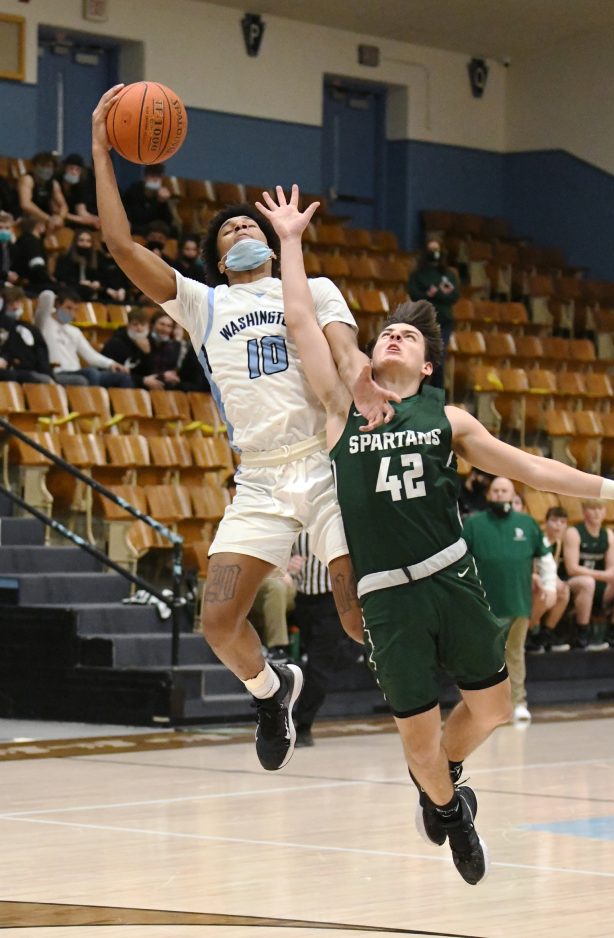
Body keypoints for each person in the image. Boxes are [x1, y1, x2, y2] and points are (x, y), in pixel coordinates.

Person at [255, 182, 614, 886]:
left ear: (427, 365)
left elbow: (533, 468)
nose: (392, 336)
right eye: (386, 332)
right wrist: (291, 242)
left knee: (489, 707)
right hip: (386, 596)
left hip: (451, 579)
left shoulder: (447, 419)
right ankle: (450, 812)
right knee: (415, 741)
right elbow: (300, 321)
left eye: (408, 335)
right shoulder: (340, 408)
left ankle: (445, 776)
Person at [92, 85, 396, 773]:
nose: (239, 230)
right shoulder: (204, 304)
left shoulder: (313, 290)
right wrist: (102, 149)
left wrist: (361, 377)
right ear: (215, 254)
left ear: (270, 240)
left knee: (355, 617)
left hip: (325, 461)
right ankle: (271, 691)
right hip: (258, 475)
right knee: (218, 622)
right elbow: (118, 243)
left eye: (247, 225)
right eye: (227, 229)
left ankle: (421, 707)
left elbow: (347, 351)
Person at [463, 477, 557, 724]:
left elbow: (546, 558)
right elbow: (460, 562)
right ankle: (483, 707)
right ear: (488, 495)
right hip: (483, 606)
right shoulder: (473, 525)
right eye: (495, 490)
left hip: (517, 603)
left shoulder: (527, 524)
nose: (499, 494)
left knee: (514, 654)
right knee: (483, 658)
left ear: (513, 495)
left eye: (504, 490)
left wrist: (550, 585)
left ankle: (518, 703)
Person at [291, 531, 362, 747]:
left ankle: (303, 725)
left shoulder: (339, 519)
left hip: (333, 600)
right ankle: (357, 649)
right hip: (301, 598)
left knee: (318, 665)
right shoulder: (296, 519)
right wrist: (286, 563)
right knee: (316, 661)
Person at [560, 500, 614, 652]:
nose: (596, 513)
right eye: (592, 508)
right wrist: (603, 575)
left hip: (599, 581)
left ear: (605, 512)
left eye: (600, 509)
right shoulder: (574, 533)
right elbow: (572, 569)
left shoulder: (608, 535)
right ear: (584, 511)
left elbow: (611, 567)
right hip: (574, 582)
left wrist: (612, 574)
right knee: (587, 582)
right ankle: (582, 632)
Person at [35, 287, 132, 388]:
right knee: (90, 373)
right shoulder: (44, 322)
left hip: (78, 372)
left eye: (75, 310)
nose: (71, 313)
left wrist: (111, 364)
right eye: (68, 308)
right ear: (57, 304)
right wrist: (56, 297)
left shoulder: (74, 331)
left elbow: (90, 355)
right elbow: (47, 295)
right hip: (58, 372)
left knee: (123, 378)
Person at [407, 237, 459, 390]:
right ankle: (417, 393)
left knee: (438, 362)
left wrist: (435, 294)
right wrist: (431, 294)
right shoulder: (417, 275)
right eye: (431, 250)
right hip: (423, 323)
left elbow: (454, 295)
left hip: (443, 323)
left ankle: (436, 398)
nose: (434, 253)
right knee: (422, 360)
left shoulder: (448, 275)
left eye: (436, 250)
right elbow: (415, 295)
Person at [526, 506, 571, 653]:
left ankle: (546, 633)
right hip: (529, 580)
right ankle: (527, 631)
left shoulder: (558, 543)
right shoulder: (539, 541)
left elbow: (551, 569)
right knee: (543, 592)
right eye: (554, 521)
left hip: (542, 580)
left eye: (562, 522)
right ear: (545, 523)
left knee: (564, 591)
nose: (558, 525)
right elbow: (532, 569)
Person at [0, 285, 53, 384]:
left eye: (18, 303)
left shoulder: (31, 328)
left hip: (32, 372)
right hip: (11, 372)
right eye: (11, 304)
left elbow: (41, 354)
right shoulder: (4, 328)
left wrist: (48, 375)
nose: (15, 307)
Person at [100, 308, 155, 387]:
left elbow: (151, 372)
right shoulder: (115, 342)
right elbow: (110, 370)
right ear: (128, 325)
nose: (139, 328)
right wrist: (141, 380)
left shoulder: (151, 341)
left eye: (143, 325)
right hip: (118, 382)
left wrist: (147, 353)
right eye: (135, 324)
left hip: (142, 383)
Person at [250, 570, 296, 661]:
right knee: (276, 588)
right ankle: (277, 648)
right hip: (260, 575)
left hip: (296, 580)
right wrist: (277, 570)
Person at [122, 164, 177, 236]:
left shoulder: (162, 194)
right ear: (145, 177)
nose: (156, 180)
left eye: (159, 177)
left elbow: (168, 222)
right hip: (135, 229)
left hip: (155, 232)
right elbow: (138, 217)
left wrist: (164, 202)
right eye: (152, 176)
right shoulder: (133, 192)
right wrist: (158, 203)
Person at [17, 153, 67, 232]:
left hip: (44, 218)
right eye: (43, 166)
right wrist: (48, 218)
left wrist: (60, 218)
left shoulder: (54, 184)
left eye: (49, 166)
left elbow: (63, 206)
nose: (46, 169)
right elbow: (25, 204)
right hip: (24, 216)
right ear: (35, 166)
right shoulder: (27, 179)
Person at [54, 228, 104, 300]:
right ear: (75, 242)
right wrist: (79, 282)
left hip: (90, 290)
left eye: (88, 241)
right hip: (72, 289)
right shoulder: (66, 257)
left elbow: (100, 275)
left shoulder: (96, 258)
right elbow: (60, 277)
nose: (84, 244)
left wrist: (97, 282)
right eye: (81, 240)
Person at [10, 216, 53, 293]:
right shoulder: (31, 242)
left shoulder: (26, 239)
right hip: (30, 284)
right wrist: (50, 281)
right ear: (38, 225)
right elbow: (37, 267)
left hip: (29, 280)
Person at [58, 154, 100, 230]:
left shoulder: (80, 186)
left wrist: (95, 219)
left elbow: (81, 211)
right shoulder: (56, 183)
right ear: (64, 168)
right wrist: (91, 221)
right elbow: (56, 210)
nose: (74, 172)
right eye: (71, 168)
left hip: (71, 219)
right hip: (56, 217)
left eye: (77, 169)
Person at [0, 211, 18, 287]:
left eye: (7, 228)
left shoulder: (13, 248)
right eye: (0, 228)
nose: (4, 231)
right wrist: (4, 283)